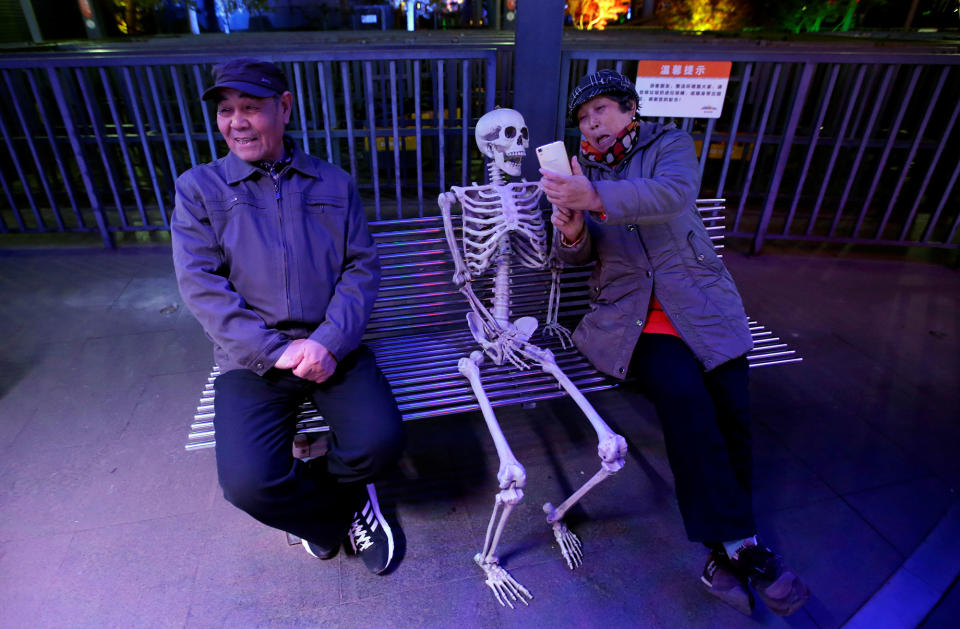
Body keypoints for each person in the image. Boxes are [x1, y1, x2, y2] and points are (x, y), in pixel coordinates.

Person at [540, 69, 809, 616]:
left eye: (602, 112)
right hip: (634, 319)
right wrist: (570, 227)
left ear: (629, 109)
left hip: (703, 308)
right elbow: (574, 258)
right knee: (688, 404)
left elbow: (672, 194)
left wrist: (593, 194)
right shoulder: (579, 171)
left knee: (731, 414)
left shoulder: (669, 145)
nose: (592, 124)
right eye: (584, 119)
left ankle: (720, 553)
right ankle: (744, 546)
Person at [171, 58, 404, 575]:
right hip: (250, 358)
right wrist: (274, 352)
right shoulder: (200, 190)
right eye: (226, 110)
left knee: (381, 443)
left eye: (250, 108)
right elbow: (201, 285)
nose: (236, 121)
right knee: (248, 483)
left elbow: (360, 268)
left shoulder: (333, 182)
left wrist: (330, 341)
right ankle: (333, 517)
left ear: (285, 107)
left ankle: (326, 501)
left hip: (332, 346)